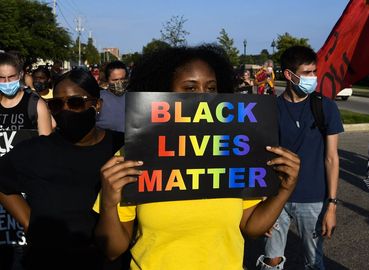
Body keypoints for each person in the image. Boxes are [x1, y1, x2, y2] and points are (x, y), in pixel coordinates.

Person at [94, 45, 301, 270]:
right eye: (190, 87)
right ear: (163, 92)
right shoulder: (135, 153)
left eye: (211, 87)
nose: (203, 96)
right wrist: (108, 201)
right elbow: (112, 250)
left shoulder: (237, 152)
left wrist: (284, 189)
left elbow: (251, 227)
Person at [0, 68, 124, 270]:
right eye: (56, 104)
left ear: (97, 104)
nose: (66, 110)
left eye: (75, 102)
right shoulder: (35, 151)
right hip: (46, 261)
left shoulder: (120, 146)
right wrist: (28, 222)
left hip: (103, 262)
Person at [256, 46, 343, 270]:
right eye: (307, 73)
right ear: (289, 75)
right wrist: (261, 203)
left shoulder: (326, 107)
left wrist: (332, 206)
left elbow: (332, 158)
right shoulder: (271, 109)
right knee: (271, 260)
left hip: (313, 199)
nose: (313, 78)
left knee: (314, 261)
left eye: (314, 72)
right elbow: (261, 157)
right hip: (276, 197)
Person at [0, 52, 52, 135]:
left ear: (20, 75)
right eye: (2, 78)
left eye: (11, 77)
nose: (7, 82)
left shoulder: (36, 104)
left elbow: (46, 143)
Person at [96, 60, 128, 132]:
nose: (119, 83)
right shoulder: (98, 98)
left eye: (122, 79)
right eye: (115, 80)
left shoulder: (135, 98)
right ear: (107, 80)